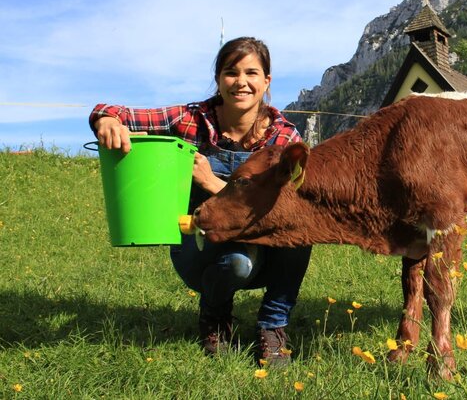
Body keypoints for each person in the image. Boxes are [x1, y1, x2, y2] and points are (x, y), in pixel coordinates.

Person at [90, 36, 311, 367]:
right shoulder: (191, 119)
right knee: (238, 262)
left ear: (266, 81)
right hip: (200, 246)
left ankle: (273, 328)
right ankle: (215, 318)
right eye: (230, 72)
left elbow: (286, 207)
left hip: (263, 245)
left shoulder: (284, 137)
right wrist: (106, 120)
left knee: (299, 231)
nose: (241, 82)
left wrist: (210, 181)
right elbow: (112, 111)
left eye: (251, 73)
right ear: (219, 79)